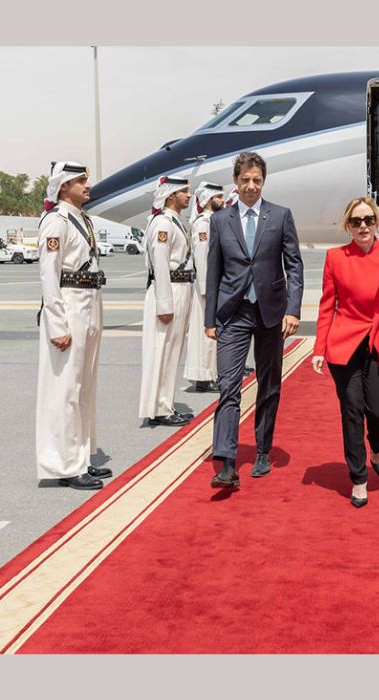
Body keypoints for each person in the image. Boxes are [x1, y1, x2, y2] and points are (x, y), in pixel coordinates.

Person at [205, 151, 304, 488]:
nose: (251, 186)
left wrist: (293, 309)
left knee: (269, 383)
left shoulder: (280, 216)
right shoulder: (220, 221)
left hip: (270, 313)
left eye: (257, 180)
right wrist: (209, 319)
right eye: (245, 180)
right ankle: (226, 462)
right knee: (228, 386)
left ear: (264, 181)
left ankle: (262, 449)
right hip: (233, 313)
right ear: (235, 181)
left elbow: (294, 266)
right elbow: (213, 272)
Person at [311, 198, 379, 507]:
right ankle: (358, 477)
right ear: (348, 226)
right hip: (344, 341)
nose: (363, 226)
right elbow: (327, 306)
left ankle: (377, 449)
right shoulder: (335, 257)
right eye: (356, 221)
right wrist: (319, 348)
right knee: (352, 409)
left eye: (368, 220)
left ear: (376, 222)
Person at [36, 161, 110, 490]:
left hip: (89, 302)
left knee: (83, 386)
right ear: (64, 186)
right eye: (80, 180)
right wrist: (56, 324)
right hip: (69, 305)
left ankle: (80, 457)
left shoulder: (82, 219)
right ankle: (64, 463)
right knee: (66, 388)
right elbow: (48, 275)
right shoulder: (56, 221)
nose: (87, 185)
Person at [138, 176, 197, 426]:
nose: (189, 196)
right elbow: (160, 264)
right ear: (171, 195)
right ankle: (159, 408)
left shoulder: (174, 221)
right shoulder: (163, 223)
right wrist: (164, 303)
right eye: (184, 191)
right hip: (169, 289)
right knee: (162, 350)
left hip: (180, 288)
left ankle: (165, 403)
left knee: (172, 350)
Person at [182, 182, 225, 393]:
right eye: (218, 197)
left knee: (212, 335)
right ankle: (204, 376)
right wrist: (207, 288)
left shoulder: (213, 221)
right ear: (208, 199)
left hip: (212, 286)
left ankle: (209, 374)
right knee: (205, 334)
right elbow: (201, 257)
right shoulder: (203, 224)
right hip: (206, 288)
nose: (222, 200)